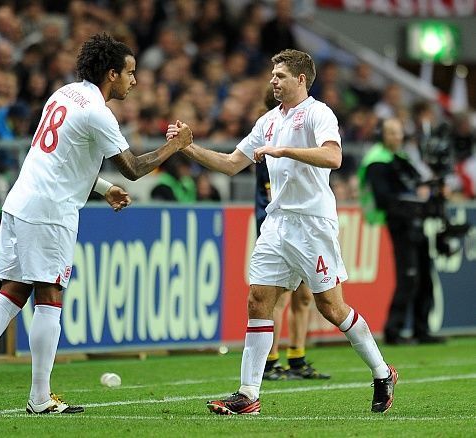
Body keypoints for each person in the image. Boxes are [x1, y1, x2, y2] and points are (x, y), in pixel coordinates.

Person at [0, 33, 192, 416]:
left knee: (13, 292)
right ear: (112, 74)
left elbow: (64, 159)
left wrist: (104, 188)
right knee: (50, 297)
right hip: (50, 212)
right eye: (129, 73)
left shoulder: (63, 94)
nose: (134, 81)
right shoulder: (99, 112)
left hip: (20, 201)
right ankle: (40, 398)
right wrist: (176, 146)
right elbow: (135, 168)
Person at [167, 49, 397, 415]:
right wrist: (187, 147)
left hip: (312, 223)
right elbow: (230, 164)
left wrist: (285, 150)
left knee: (331, 308)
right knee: (258, 300)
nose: (273, 81)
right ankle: (248, 395)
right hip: (277, 223)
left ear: (301, 79)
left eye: (280, 76)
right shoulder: (267, 121)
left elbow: (334, 158)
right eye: (273, 75)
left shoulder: (319, 113)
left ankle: (382, 372)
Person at [254, 87, 329, 381]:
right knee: (278, 296)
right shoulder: (267, 139)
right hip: (275, 224)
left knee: (305, 295)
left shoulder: (301, 135)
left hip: (303, 225)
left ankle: (297, 357)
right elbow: (267, 189)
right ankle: (270, 361)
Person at [358, 117, 444, 345]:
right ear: (382, 135)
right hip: (399, 223)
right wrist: (414, 200)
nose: (397, 137)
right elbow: (384, 198)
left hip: (415, 222)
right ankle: (393, 330)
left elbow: (419, 182)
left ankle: (421, 328)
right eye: (391, 133)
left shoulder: (401, 157)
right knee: (409, 276)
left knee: (425, 274)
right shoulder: (377, 160)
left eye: (398, 133)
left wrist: (426, 190)